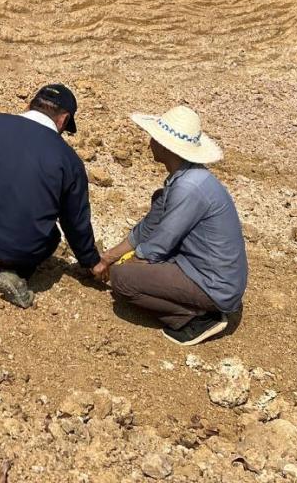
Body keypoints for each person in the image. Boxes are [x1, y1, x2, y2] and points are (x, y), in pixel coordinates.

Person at [93, 105, 248, 346]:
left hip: (213, 284)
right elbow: (147, 229)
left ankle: (196, 318)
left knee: (124, 279)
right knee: (127, 260)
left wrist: (123, 267)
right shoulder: (187, 178)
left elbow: (157, 245)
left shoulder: (188, 188)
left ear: (166, 146)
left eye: (154, 139)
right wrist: (107, 258)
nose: (149, 144)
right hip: (209, 273)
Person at [0, 83, 103, 308]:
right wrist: (91, 261)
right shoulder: (70, 161)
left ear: (29, 105)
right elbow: (75, 221)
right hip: (22, 251)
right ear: (63, 120)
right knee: (53, 236)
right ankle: (17, 272)